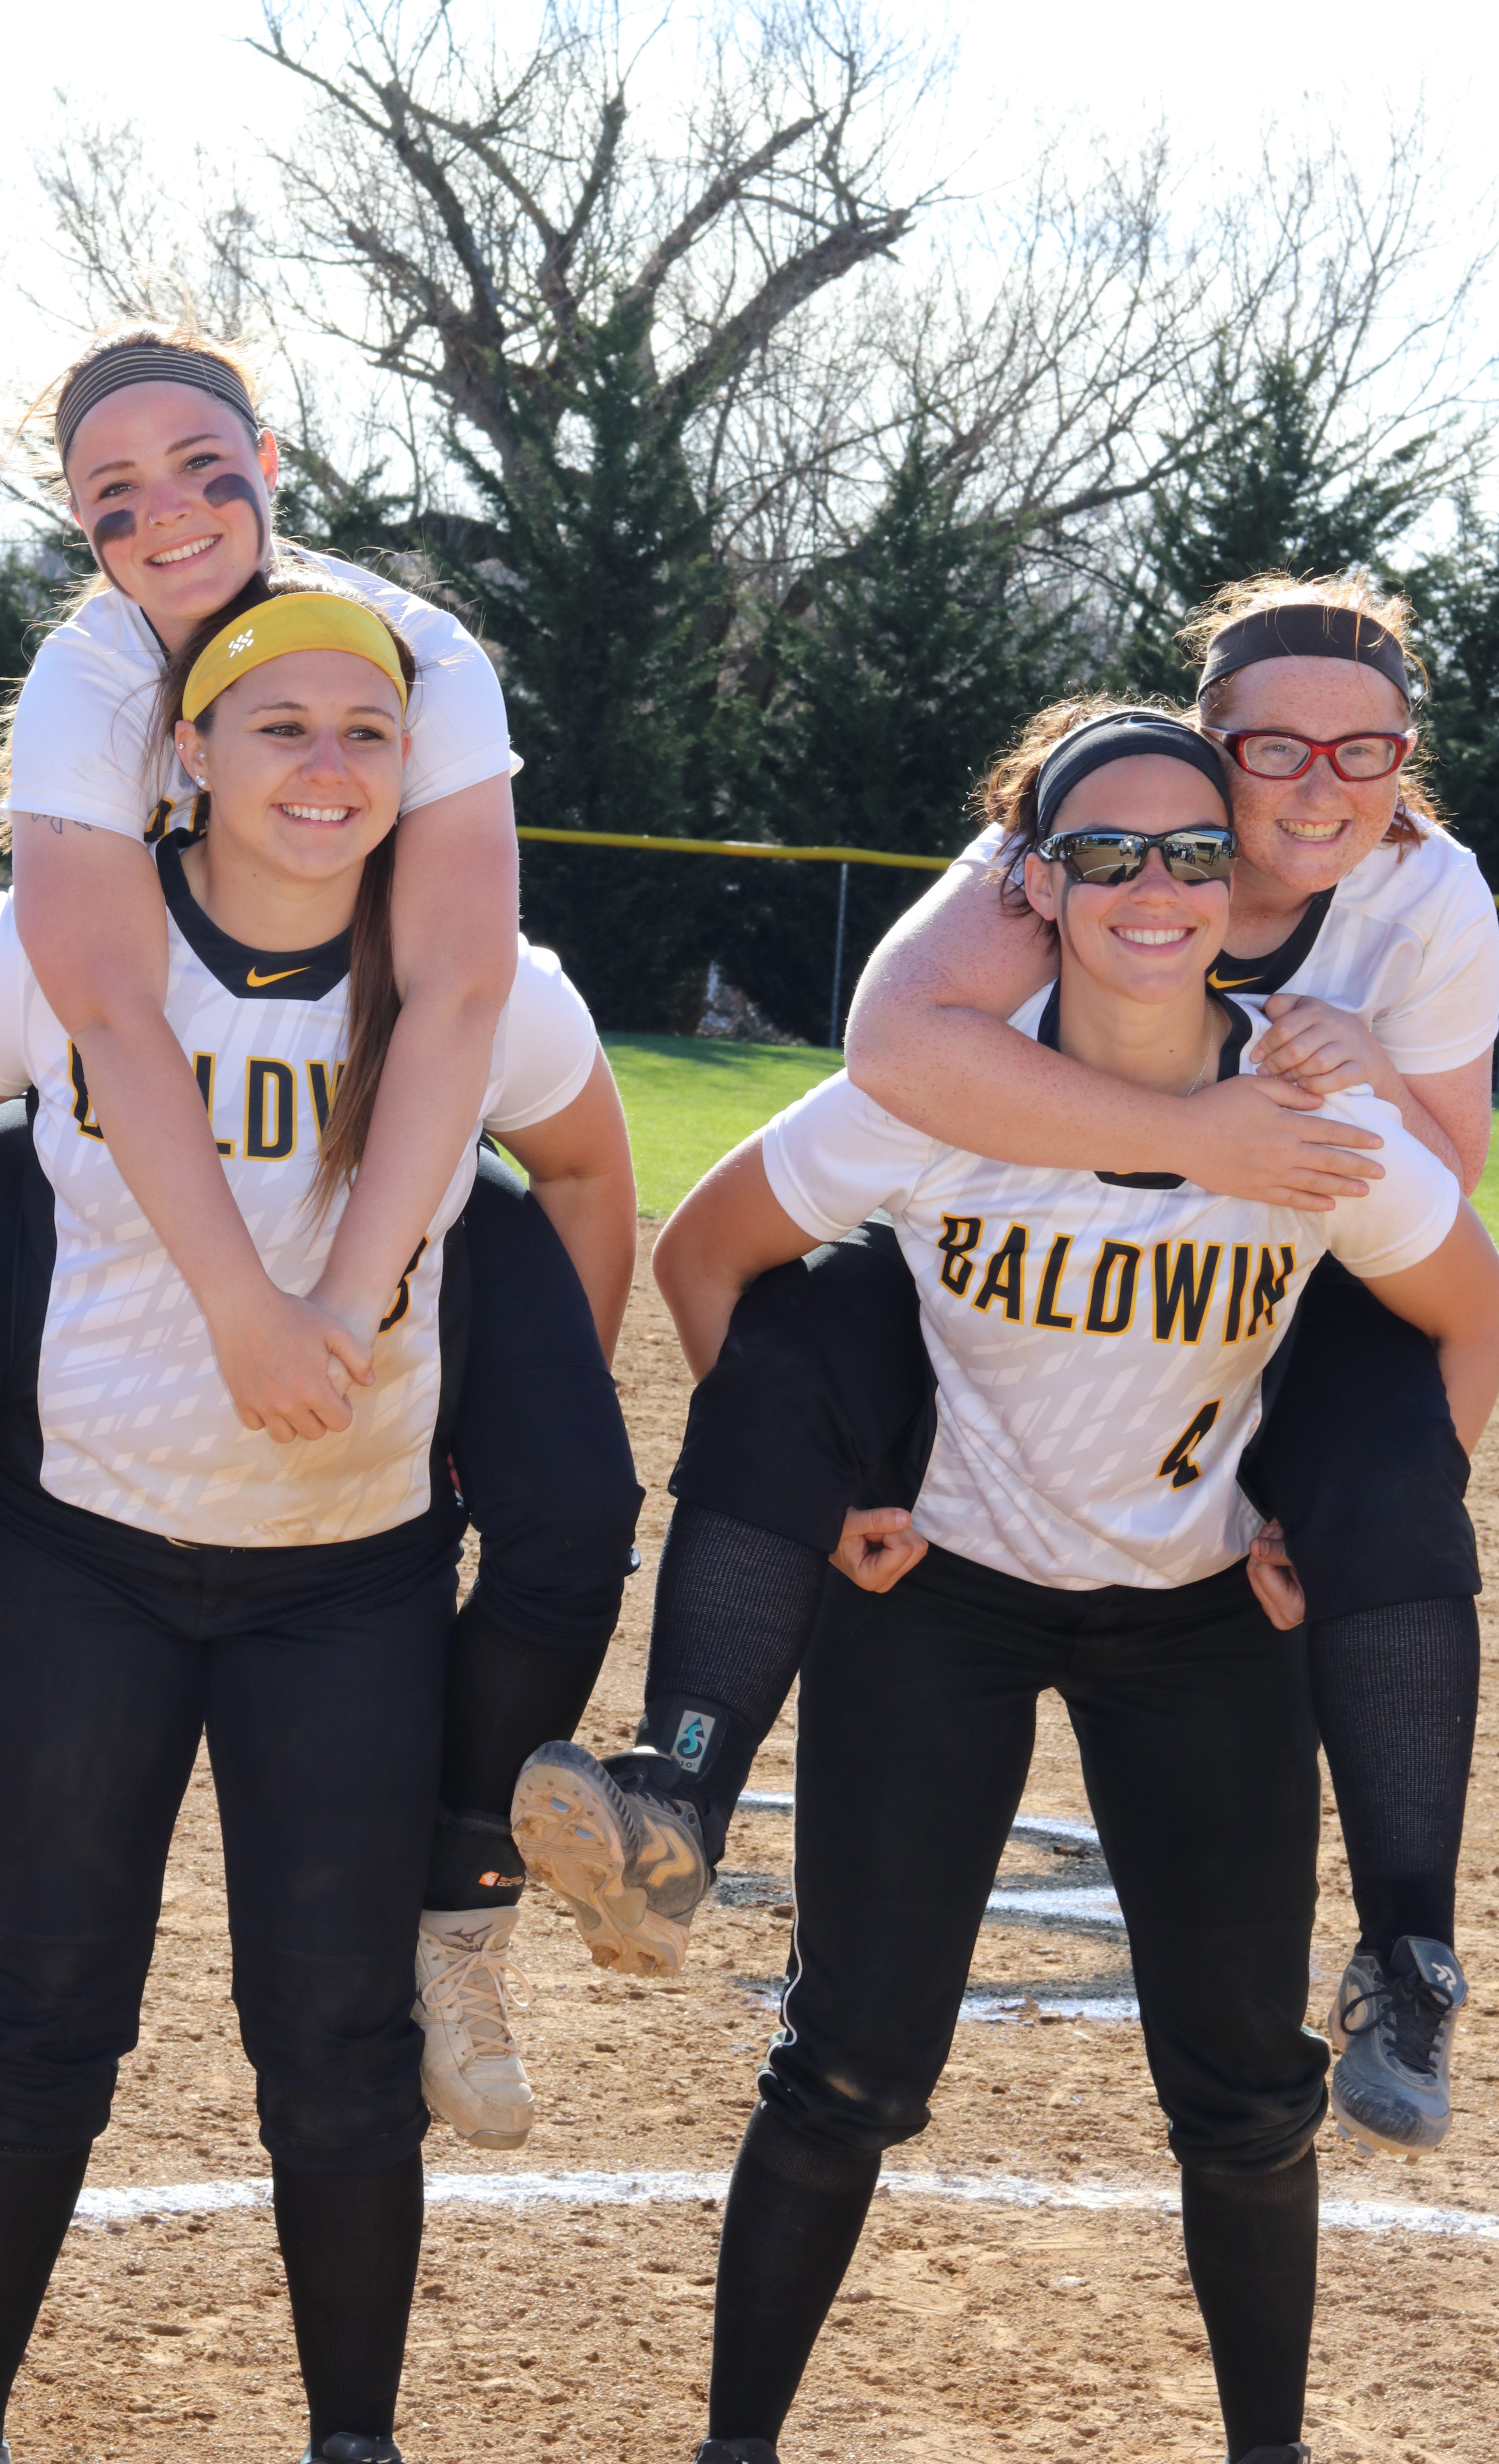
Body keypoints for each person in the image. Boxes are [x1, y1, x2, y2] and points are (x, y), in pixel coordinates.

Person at [515, 579, 1496, 2158]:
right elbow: (897, 1046)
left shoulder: (1432, 894)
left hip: (1275, 1285)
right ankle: (676, 1788)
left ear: (1406, 761)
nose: (1321, 782)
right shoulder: (1089, 827)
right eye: (1275, 748)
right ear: (1205, 750)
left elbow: (1435, 1199)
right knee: (810, 1320)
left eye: (1366, 748)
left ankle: (1405, 1950)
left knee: (1390, 1449)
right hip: (1007, 1249)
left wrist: (1327, 1080)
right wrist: (1186, 1125)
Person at [640, 708, 1499, 2464]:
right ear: (1033, 884)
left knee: (1248, 2095)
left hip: (1195, 1618)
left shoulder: (1309, 1096)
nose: (1153, 884)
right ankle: (734, 2450)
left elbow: (1465, 1318)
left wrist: (1326, 1531)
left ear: (1236, 881)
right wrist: (833, 1506)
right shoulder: (949, 1085)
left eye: (1195, 851)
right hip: (942, 1597)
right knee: (850, 2067)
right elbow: (707, 1257)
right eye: (1102, 853)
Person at [0, 579, 623, 2464]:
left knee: (337, 2052)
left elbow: (591, 1167)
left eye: (367, 733)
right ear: (185, 756)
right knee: (43, 2023)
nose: (328, 767)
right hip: (86, 1560)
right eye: (279, 728)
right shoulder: (56, 959)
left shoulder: (483, 985)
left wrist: (501, 1390)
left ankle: (350, 2440)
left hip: (344, 1590)